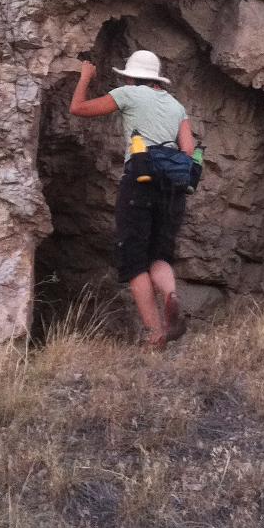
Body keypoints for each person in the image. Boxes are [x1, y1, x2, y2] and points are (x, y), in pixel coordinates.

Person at [69, 49, 195, 350]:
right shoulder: (176, 105)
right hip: (173, 187)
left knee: (135, 262)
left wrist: (85, 77)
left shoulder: (128, 94)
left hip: (140, 183)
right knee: (159, 256)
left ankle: (155, 335)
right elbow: (188, 149)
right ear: (156, 79)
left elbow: (78, 108)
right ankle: (170, 295)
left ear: (131, 77)